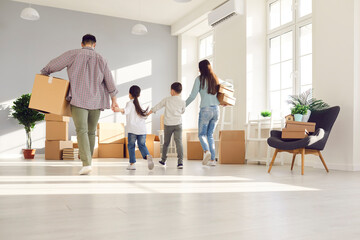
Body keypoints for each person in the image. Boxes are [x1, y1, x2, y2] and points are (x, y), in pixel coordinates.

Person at [41, 34, 119, 175]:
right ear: (94, 45)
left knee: (81, 131)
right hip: (96, 100)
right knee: (91, 132)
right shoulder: (102, 59)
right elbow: (110, 81)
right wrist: (114, 100)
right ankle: (88, 161)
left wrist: (45, 73)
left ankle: (87, 162)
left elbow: (55, 64)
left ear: (82, 43)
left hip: (78, 99)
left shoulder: (73, 54)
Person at [186, 59, 220, 167]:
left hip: (206, 110)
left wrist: (183, 106)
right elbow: (226, 88)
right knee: (210, 135)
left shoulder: (199, 79)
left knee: (201, 134)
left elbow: (192, 96)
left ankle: (206, 151)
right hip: (216, 110)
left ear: (200, 69)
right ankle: (212, 161)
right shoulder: (215, 78)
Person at [114, 85, 154, 170]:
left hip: (132, 130)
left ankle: (132, 164)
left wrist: (119, 109)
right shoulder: (141, 104)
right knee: (142, 145)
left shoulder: (129, 103)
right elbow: (144, 116)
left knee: (131, 146)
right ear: (139, 95)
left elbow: (126, 111)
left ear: (130, 94)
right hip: (142, 130)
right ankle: (147, 155)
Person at [148, 82, 186, 169]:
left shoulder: (167, 99)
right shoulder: (183, 102)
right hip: (178, 124)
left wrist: (149, 112)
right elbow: (183, 111)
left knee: (166, 143)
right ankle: (180, 163)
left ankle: (163, 160)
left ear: (172, 91)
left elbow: (158, 106)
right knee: (179, 143)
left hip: (168, 124)